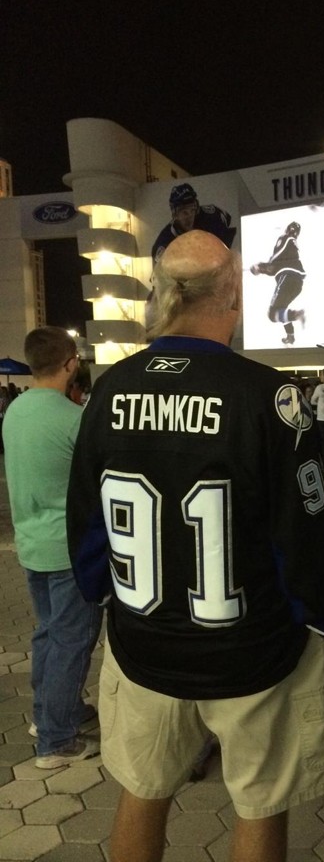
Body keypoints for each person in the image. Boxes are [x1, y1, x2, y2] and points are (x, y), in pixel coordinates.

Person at [67, 230, 324, 862]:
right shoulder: (267, 396)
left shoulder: (110, 391)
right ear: (233, 292)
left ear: (165, 294)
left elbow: (85, 526)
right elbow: (303, 534)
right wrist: (319, 613)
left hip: (143, 644)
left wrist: (105, 599)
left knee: (141, 794)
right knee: (259, 806)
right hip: (253, 651)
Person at [3, 327, 102, 769]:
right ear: (70, 364)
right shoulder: (73, 418)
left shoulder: (15, 410)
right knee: (71, 638)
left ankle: (50, 715)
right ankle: (57, 741)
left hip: (31, 543)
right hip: (69, 550)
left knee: (48, 633)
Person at [250, 221, 307, 345]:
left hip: (287, 277)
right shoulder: (293, 245)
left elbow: (275, 261)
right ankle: (290, 336)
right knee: (281, 310)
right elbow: (276, 267)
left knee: (272, 314)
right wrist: (263, 268)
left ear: (288, 230)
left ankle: (297, 315)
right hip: (297, 284)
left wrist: (259, 267)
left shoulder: (285, 238)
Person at [151, 183, 236, 263]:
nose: (190, 216)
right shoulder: (165, 240)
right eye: (184, 212)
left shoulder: (211, 217)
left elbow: (230, 223)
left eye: (192, 209)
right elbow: (160, 269)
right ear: (175, 214)